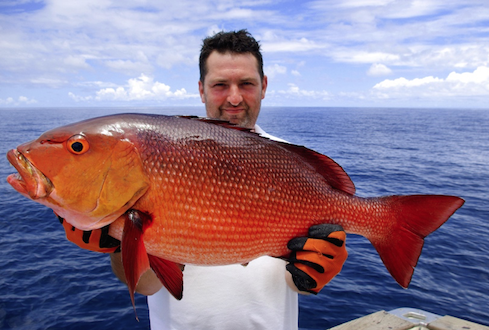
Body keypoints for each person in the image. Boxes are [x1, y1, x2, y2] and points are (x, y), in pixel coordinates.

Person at [60, 30, 347, 330]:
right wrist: (119, 247)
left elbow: (295, 283)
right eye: (220, 85)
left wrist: (316, 271)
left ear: (263, 86)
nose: (234, 97)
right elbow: (146, 285)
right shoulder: (163, 155)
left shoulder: (293, 163)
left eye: (246, 84)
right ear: (201, 89)